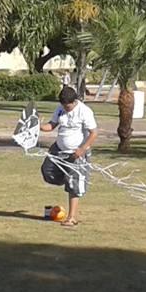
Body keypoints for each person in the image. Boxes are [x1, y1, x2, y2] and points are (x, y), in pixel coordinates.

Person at [40, 86, 99, 227]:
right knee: (46, 171)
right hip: (59, 149)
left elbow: (94, 133)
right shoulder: (59, 109)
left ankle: (71, 218)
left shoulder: (85, 111)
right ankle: (65, 180)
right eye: (64, 105)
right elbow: (51, 125)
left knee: (74, 185)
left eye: (68, 106)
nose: (66, 108)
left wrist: (82, 149)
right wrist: (39, 126)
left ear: (75, 101)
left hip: (77, 153)